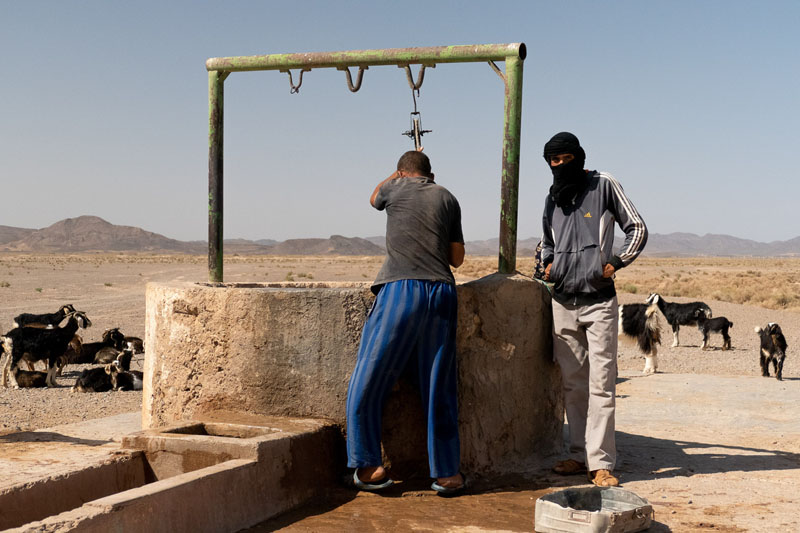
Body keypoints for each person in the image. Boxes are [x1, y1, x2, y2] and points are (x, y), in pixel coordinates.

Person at [345, 149, 466, 496]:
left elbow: (373, 198)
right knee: (439, 383)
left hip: (401, 288)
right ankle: (446, 475)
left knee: (369, 375)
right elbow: (456, 258)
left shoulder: (393, 189)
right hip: (442, 292)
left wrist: (394, 177)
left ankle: (369, 466)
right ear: (431, 175)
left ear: (401, 173)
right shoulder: (447, 196)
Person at [539, 132, 647, 487]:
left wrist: (613, 263)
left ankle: (601, 463)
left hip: (599, 300)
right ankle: (577, 454)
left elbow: (638, 228)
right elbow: (547, 243)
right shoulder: (553, 198)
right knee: (572, 384)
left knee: (602, 383)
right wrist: (547, 265)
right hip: (563, 301)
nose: (558, 166)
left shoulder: (603, 184)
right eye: (552, 161)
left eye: (563, 159)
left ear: (578, 157)